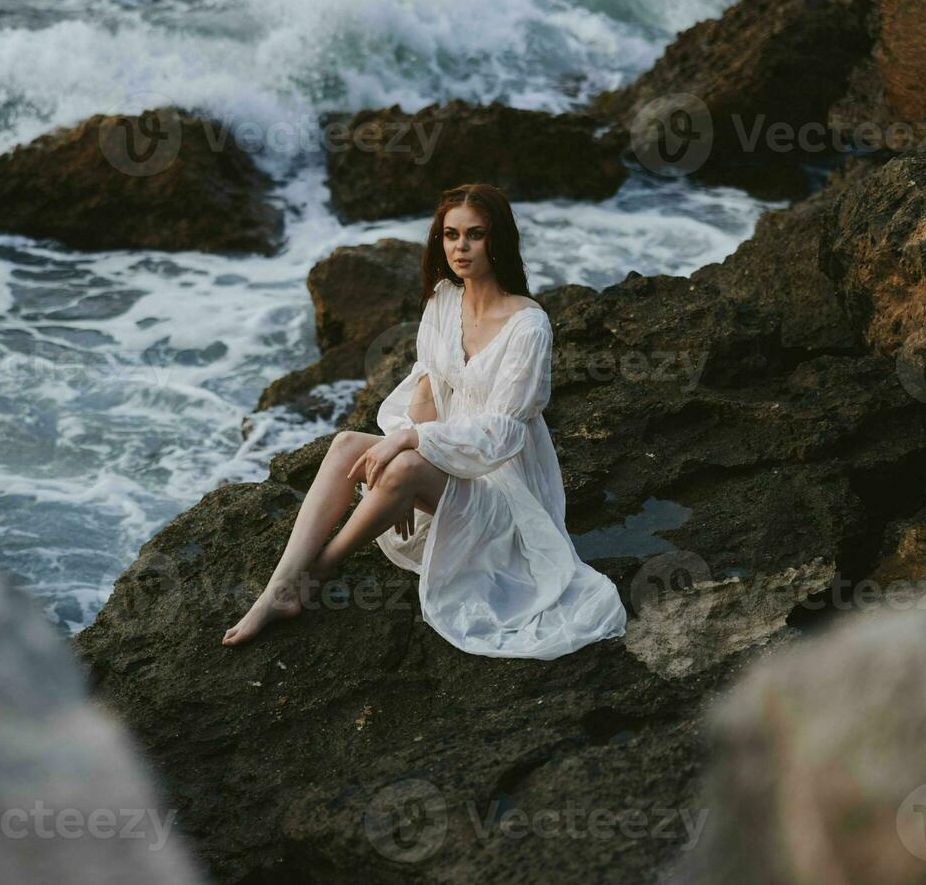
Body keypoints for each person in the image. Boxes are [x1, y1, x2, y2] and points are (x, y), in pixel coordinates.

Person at [221, 183, 626, 658]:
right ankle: (280, 584)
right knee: (347, 444)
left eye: (475, 235)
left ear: (499, 241)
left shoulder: (529, 326)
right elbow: (426, 386)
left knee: (405, 466)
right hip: (452, 467)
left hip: (509, 494)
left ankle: (315, 574)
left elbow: (504, 433)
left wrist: (414, 446)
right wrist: (408, 456)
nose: (461, 247)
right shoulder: (443, 299)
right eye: (451, 235)